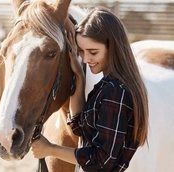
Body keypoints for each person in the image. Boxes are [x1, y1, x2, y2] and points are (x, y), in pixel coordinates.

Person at [31, 7, 149, 172]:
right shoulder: (106, 86)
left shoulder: (115, 92)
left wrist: (51, 149)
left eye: (93, 52)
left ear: (112, 47)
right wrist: (79, 77)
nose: (86, 59)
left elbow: (102, 160)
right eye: (81, 52)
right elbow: (80, 128)